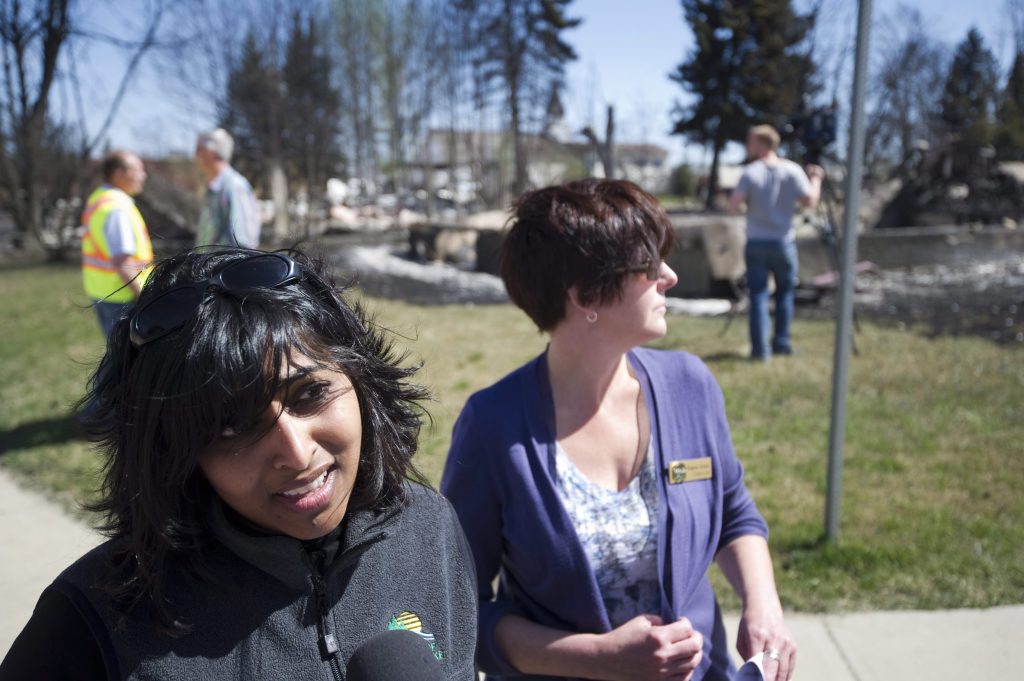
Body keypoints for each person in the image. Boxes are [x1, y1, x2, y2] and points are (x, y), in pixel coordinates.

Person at [1, 249, 477, 680]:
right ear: (175, 452)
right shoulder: (92, 621)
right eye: (233, 427)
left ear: (361, 384)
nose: (295, 452)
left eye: (311, 394)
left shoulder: (429, 529)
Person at [442, 179, 795, 681]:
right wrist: (598, 658)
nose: (669, 277)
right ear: (585, 295)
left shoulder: (689, 386)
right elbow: (457, 611)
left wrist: (764, 606)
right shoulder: (493, 428)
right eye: (649, 266)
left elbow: (734, 513)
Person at [728, 124, 823, 361]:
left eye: (751, 142)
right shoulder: (792, 170)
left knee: (759, 295)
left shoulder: (750, 172)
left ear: (763, 143)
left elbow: (733, 204)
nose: (748, 146)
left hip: (757, 242)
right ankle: (781, 343)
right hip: (783, 243)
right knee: (784, 294)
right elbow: (809, 200)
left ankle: (760, 351)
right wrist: (816, 179)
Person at [80, 151, 154, 337]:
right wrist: (146, 297)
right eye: (137, 170)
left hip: (104, 292)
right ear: (119, 174)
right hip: (124, 297)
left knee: (118, 357)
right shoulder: (117, 209)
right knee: (131, 360)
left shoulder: (99, 199)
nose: (143, 175)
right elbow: (123, 263)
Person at [194, 128, 261, 248]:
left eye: (199, 149)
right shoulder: (214, 188)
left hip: (227, 266)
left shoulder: (235, 186)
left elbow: (245, 241)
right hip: (210, 266)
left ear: (210, 152)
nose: (195, 155)